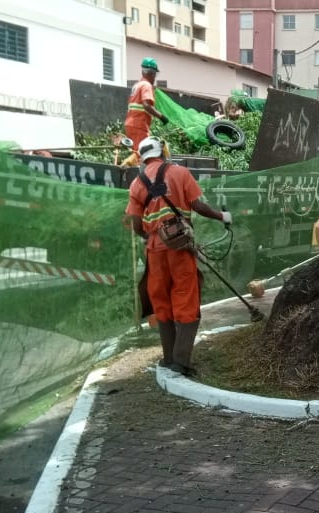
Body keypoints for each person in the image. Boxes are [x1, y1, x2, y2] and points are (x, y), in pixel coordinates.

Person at [125, 136, 230, 375]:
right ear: (163, 152)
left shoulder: (136, 184)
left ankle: (168, 357)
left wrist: (149, 235)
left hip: (154, 251)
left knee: (161, 300)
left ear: (143, 157)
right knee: (185, 297)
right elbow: (198, 205)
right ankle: (181, 362)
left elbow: (135, 224)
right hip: (179, 248)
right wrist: (222, 216)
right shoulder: (180, 173)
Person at [124, 57, 169, 154]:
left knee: (135, 151)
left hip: (131, 124)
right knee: (141, 153)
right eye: (154, 74)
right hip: (139, 124)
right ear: (150, 73)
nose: (155, 77)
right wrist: (161, 117)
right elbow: (146, 105)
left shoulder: (138, 85)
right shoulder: (146, 85)